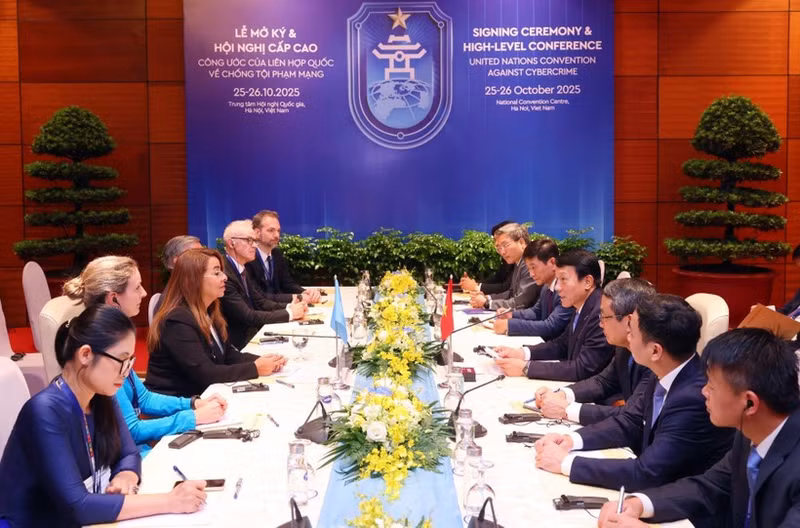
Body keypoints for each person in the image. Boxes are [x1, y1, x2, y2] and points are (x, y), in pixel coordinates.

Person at [0, 305, 208, 527]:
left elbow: (129, 453)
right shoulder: (45, 411)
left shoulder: (101, 396)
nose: (126, 372)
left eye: (130, 362)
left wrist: (127, 475)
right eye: (122, 361)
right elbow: (77, 507)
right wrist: (169, 501)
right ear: (86, 355)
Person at [598, 329, 800, 528]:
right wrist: (639, 504)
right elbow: (709, 486)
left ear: (749, 403)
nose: (703, 391)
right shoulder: (749, 435)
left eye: (711, 386)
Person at [534, 294, 734, 493]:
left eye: (632, 332)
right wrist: (570, 441)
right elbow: (630, 422)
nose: (627, 336)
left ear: (655, 351)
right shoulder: (666, 370)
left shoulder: (692, 397)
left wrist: (567, 463)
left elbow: (647, 474)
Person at [64, 255, 227, 455]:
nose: (144, 293)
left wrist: (193, 403)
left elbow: (144, 398)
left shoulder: (113, 337)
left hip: (134, 453)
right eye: (137, 287)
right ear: (113, 298)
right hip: (127, 462)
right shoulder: (100, 349)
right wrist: (192, 417)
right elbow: (130, 431)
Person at [145, 248, 287, 397]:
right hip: (177, 403)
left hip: (204, 394)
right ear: (194, 279)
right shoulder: (177, 319)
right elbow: (204, 373)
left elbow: (228, 355)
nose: (225, 277)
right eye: (216, 272)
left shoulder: (209, 309)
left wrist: (263, 361)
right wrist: (255, 368)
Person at [535, 278, 654, 425]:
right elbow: (603, 382)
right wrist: (562, 394)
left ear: (629, 321)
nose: (600, 324)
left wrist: (567, 410)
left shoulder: (655, 357)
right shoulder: (624, 348)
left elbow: (634, 415)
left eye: (604, 317)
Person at [494, 250, 614, 381]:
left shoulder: (601, 313)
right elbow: (562, 345)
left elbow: (583, 368)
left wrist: (527, 368)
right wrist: (520, 353)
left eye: (563, 279)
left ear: (587, 282)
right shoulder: (581, 304)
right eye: (557, 280)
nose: (557, 287)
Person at [220, 220, 307, 349]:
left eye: (255, 241)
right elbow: (248, 316)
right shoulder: (225, 275)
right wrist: (290, 313)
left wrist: (291, 306)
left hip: (252, 335)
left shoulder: (241, 268)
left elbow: (260, 302)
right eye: (249, 240)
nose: (255, 245)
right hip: (237, 345)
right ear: (231, 243)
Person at [492, 238, 573, 339]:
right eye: (529, 268)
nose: (531, 274)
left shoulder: (565, 290)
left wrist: (509, 325)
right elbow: (536, 312)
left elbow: (551, 326)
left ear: (552, 262)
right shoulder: (545, 286)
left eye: (533, 267)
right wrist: (511, 315)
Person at [247, 210, 321, 303]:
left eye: (278, 231)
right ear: (257, 233)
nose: (277, 235)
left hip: (280, 307)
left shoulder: (276, 254)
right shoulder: (248, 258)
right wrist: (298, 297)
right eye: (271, 230)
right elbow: (258, 296)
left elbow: (287, 284)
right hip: (262, 311)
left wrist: (305, 292)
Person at [469, 223, 540, 311]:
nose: (502, 252)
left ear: (521, 242)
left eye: (505, 245)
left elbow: (522, 302)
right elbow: (511, 292)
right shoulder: (518, 262)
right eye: (499, 248)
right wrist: (488, 298)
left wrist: (487, 303)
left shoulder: (530, 264)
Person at [459, 220, 514, 294]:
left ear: (521, 241)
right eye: (495, 240)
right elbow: (498, 278)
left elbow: (508, 288)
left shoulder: (523, 260)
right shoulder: (507, 257)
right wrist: (475, 284)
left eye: (505, 244)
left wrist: (476, 286)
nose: (496, 244)